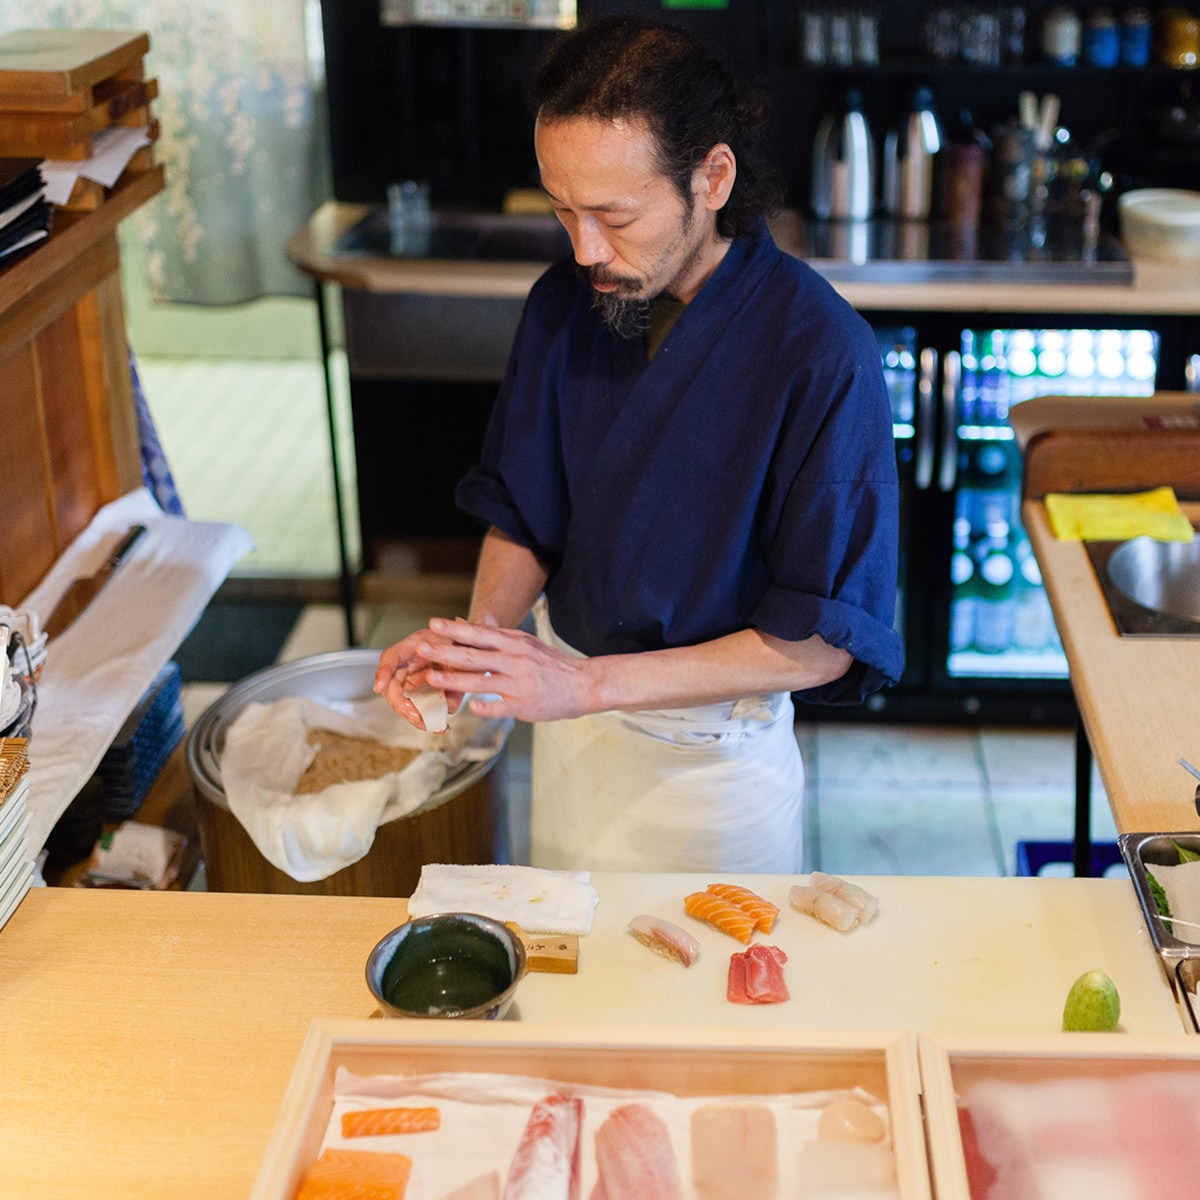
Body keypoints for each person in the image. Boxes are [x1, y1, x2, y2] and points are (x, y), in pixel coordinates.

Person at [375, 15, 903, 872]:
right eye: (563, 211)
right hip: (570, 743)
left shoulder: (819, 353)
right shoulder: (564, 304)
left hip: (710, 776)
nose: (586, 249)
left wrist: (586, 684)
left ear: (713, 177)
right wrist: (481, 646)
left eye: (614, 216)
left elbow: (822, 639)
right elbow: (524, 513)